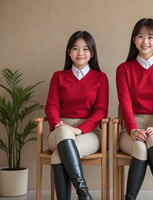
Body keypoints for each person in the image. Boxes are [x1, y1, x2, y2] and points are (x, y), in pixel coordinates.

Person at [116, 18, 153, 200]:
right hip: (131, 129)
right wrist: (132, 129)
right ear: (134, 40)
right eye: (140, 36)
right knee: (140, 149)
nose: (145, 42)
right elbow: (124, 103)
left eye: (150, 37)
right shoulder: (123, 69)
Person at [45, 31, 109, 200]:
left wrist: (79, 130)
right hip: (58, 131)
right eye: (75, 48)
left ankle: (82, 194)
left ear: (92, 53)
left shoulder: (100, 78)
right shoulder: (58, 77)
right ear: (69, 52)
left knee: (59, 156)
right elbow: (51, 105)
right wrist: (58, 125)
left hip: (89, 133)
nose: (80, 53)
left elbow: (101, 111)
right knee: (64, 134)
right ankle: (84, 193)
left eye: (85, 49)